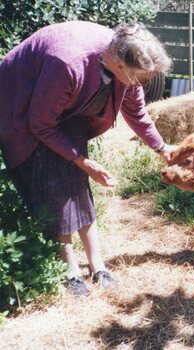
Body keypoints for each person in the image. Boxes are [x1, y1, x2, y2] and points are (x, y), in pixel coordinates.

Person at [0, 21, 174, 296]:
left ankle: (98, 265)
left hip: (61, 109)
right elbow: (41, 123)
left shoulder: (127, 60)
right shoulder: (68, 62)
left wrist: (162, 147)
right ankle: (69, 270)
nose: (143, 84)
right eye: (140, 78)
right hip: (22, 109)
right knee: (53, 189)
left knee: (78, 186)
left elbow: (137, 113)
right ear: (118, 64)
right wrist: (83, 160)